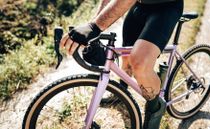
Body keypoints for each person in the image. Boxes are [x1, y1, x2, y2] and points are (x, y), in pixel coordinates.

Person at [60, 0, 184, 128]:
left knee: (140, 64)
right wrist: (94, 26)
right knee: (126, 58)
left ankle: (155, 108)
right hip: (139, 7)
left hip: (166, 8)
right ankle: (120, 94)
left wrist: (94, 27)